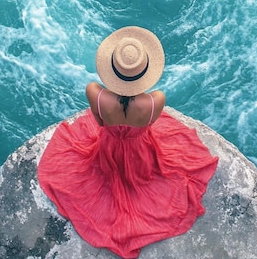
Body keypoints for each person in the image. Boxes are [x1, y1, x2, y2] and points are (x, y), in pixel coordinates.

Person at [37, 26, 218, 258]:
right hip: (142, 154)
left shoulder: (95, 92)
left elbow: (100, 123)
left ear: (111, 68)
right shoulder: (155, 100)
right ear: (144, 73)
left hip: (107, 151)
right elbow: (150, 123)